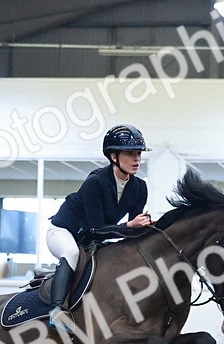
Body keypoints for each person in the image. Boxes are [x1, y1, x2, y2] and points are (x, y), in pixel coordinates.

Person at [45, 124, 152, 331]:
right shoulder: (95, 182)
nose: (137, 159)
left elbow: (131, 233)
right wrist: (130, 225)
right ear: (114, 157)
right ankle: (56, 311)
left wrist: (146, 227)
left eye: (138, 153)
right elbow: (97, 229)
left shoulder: (140, 188)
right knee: (71, 252)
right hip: (64, 232)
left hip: (94, 238)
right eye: (130, 154)